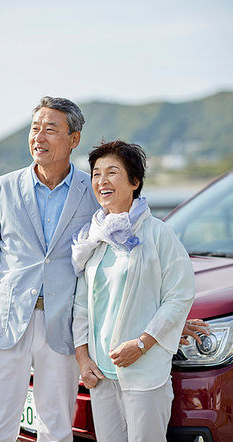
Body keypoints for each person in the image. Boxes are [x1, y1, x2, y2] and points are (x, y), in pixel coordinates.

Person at [0, 96, 99, 442]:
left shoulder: (91, 190)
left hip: (62, 323)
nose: (39, 136)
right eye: (35, 128)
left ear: (74, 138)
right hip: (6, 324)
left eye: (50, 129)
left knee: (56, 426)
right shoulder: (2, 188)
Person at [72, 140, 196, 442]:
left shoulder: (158, 233)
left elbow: (179, 295)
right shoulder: (93, 238)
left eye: (112, 172)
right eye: (96, 174)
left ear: (135, 181)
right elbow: (82, 305)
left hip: (144, 370)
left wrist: (141, 344)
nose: (102, 181)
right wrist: (83, 357)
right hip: (101, 372)